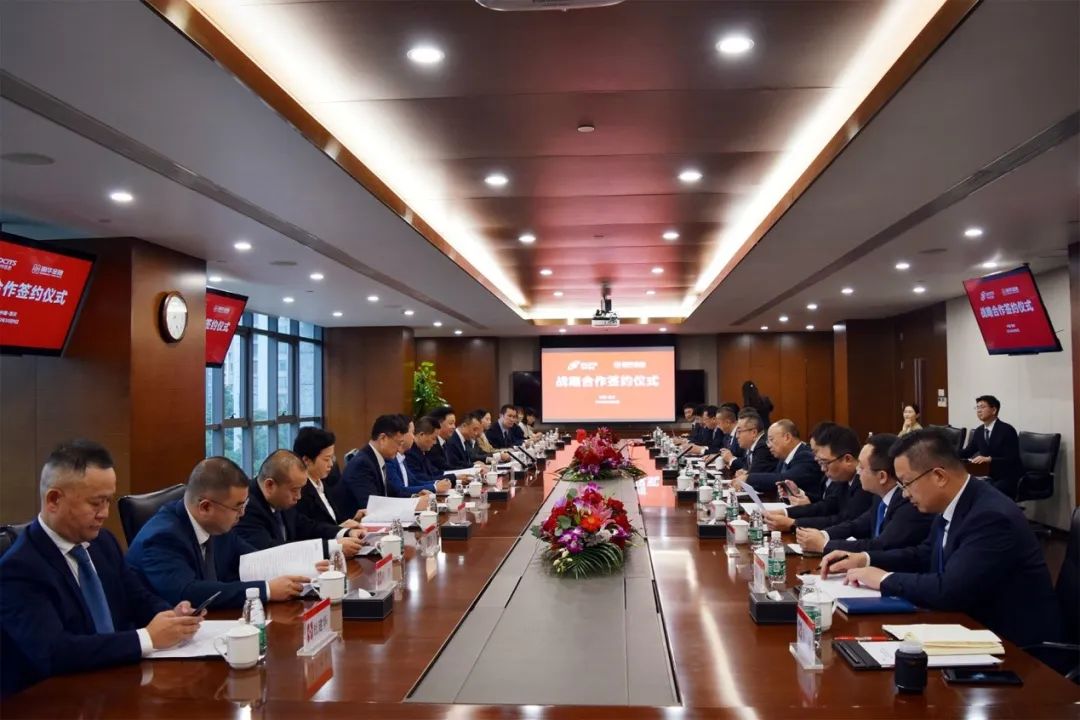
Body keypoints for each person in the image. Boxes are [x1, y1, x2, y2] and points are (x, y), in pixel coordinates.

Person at [823, 429, 1061, 648]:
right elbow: (923, 554)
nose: (904, 494)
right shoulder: (954, 503)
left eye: (907, 483)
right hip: (966, 626)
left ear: (939, 476)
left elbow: (949, 589)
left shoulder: (990, 517)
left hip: (1015, 648)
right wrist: (864, 559)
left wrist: (884, 579)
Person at [1, 441, 203, 697]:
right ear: (54, 500)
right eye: (95, 503)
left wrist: (171, 615)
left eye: (108, 501)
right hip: (55, 700)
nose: (105, 513)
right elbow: (55, 652)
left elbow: (137, 598)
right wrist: (147, 638)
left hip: (118, 683)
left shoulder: (103, 543)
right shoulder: (19, 569)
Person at [127, 457, 311, 609]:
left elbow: (252, 558)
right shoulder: (162, 538)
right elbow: (189, 593)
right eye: (237, 507)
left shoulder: (217, 525)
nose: (242, 513)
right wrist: (266, 590)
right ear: (205, 507)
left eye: (245, 504)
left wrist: (306, 569)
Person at [796, 433, 933, 554]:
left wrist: (824, 545)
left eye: (861, 467)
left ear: (882, 476)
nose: (857, 471)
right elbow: (857, 525)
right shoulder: (880, 497)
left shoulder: (908, 503)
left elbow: (881, 545)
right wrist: (823, 535)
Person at [234, 450, 365, 557]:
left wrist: (345, 532)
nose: (299, 496)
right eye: (294, 490)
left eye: (301, 489)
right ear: (270, 485)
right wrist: (331, 547)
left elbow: (307, 526)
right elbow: (270, 550)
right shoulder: (246, 507)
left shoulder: (281, 500)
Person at [764, 424, 873, 531]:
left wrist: (793, 523)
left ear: (847, 459)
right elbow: (827, 506)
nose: (822, 469)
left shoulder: (864, 484)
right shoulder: (843, 479)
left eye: (825, 462)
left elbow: (843, 521)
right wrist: (785, 513)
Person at [335, 414, 412, 516]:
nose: (399, 449)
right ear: (383, 438)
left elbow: (392, 494)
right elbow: (372, 508)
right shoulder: (362, 464)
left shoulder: (377, 459)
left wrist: (414, 498)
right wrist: (411, 506)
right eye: (398, 443)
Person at [733, 419, 824, 500]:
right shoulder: (783, 458)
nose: (768, 445)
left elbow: (783, 479)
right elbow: (772, 481)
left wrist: (748, 478)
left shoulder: (806, 456)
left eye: (771, 440)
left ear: (787, 437)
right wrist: (746, 483)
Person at [293, 427, 364, 527]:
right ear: (306, 460)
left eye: (332, 458)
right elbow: (310, 530)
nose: (331, 464)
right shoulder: (300, 493)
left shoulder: (325, 482)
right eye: (326, 459)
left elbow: (335, 522)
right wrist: (340, 530)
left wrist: (355, 521)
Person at [960, 395, 1022, 497]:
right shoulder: (979, 431)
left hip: (1007, 475)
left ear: (994, 410)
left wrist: (989, 459)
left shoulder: (1007, 430)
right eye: (977, 407)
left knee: (985, 492)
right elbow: (968, 451)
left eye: (982, 407)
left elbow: (1012, 459)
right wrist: (947, 453)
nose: (979, 410)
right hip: (986, 474)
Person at [388, 417, 453, 496]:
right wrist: (435, 487)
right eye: (412, 433)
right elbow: (400, 491)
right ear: (402, 435)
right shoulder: (393, 458)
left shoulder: (402, 457)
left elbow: (414, 482)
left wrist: (437, 483)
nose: (413, 437)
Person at [426, 406, 456, 472]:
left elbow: (455, 463)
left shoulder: (447, 442)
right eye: (451, 423)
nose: (454, 427)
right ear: (438, 424)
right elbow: (443, 467)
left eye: (454, 423)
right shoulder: (431, 444)